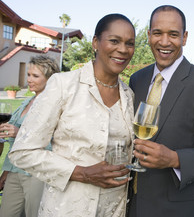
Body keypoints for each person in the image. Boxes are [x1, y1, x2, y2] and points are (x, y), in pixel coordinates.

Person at [9, 13, 136, 217]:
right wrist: (82, 173)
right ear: (95, 42)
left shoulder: (129, 96)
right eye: (114, 40)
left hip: (114, 210)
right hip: (66, 209)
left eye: (130, 43)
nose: (123, 49)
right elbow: (22, 152)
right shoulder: (63, 85)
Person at [127, 5, 194, 217]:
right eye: (157, 33)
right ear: (148, 35)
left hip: (177, 209)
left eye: (173, 34)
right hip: (133, 203)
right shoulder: (137, 79)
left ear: (184, 37)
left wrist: (174, 159)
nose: (164, 42)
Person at [0, 56, 59, 217]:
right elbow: (13, 144)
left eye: (35, 76)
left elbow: (55, 143)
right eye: (28, 75)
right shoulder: (27, 102)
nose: (29, 80)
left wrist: (19, 133)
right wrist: (6, 171)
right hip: (15, 170)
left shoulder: (54, 106)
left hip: (36, 174)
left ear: (50, 78)